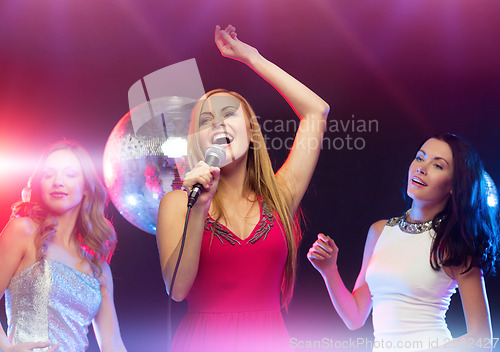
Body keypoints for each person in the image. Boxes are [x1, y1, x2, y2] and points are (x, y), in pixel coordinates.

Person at [156, 24, 330, 351]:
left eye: (228, 114)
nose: (218, 123)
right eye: (205, 121)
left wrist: (251, 57)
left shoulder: (280, 195)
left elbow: (316, 112)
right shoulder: (179, 202)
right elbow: (177, 290)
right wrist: (199, 210)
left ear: (250, 131)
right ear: (197, 142)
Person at [308, 133, 499, 351]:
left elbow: (482, 339)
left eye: (438, 165)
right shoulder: (380, 231)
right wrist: (329, 270)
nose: (422, 168)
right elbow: (355, 318)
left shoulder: (455, 244)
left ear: (454, 185)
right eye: (420, 158)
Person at [0, 140, 128, 352]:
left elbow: (113, 345)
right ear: (40, 183)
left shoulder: (99, 270)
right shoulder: (23, 232)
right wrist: (4, 347)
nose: (58, 181)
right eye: (48, 174)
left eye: (70, 174)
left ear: (86, 188)